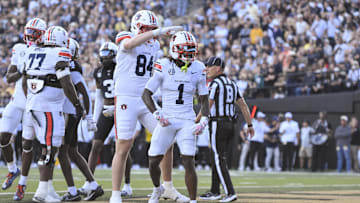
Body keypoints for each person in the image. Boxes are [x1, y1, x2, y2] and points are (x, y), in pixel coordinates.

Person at [110, 10, 184, 203]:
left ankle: (167, 187)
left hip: (145, 98)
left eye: (152, 29)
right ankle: (116, 194)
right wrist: (156, 32)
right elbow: (128, 44)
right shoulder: (125, 35)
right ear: (137, 27)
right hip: (126, 97)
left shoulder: (155, 45)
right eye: (145, 29)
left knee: (167, 138)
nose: (149, 33)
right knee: (124, 145)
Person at [142, 30, 209, 203]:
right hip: (168, 118)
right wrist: (157, 113)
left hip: (187, 119)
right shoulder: (163, 64)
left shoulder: (199, 68)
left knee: (188, 160)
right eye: (185, 49)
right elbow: (146, 94)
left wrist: (204, 119)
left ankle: (193, 200)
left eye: (191, 49)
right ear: (174, 49)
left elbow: (204, 99)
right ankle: (158, 189)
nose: (190, 53)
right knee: (153, 160)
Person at [22, 26, 84, 202]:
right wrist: (76, 103)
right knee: (50, 150)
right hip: (49, 107)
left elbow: (25, 80)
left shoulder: (32, 51)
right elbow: (65, 81)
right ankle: (41, 193)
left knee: (47, 148)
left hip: (34, 104)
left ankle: (47, 189)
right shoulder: (59, 53)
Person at [1, 18, 47, 194]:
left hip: (33, 103)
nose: (30, 36)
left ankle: (23, 183)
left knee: (26, 144)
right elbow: (9, 77)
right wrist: (22, 71)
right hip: (17, 101)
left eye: (34, 32)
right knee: (3, 137)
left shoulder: (47, 52)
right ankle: (12, 169)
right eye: (29, 31)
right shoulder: (19, 49)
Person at [200, 56, 254, 202]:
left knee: (218, 158)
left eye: (209, 66)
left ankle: (230, 192)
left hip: (218, 123)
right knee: (216, 156)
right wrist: (249, 125)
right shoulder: (232, 83)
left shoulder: (215, 84)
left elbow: (207, 105)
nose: (207, 69)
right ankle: (214, 190)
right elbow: (243, 105)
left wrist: (196, 121)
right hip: (230, 124)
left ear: (218, 68)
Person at [58, 38, 102, 201]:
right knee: (72, 152)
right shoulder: (68, 65)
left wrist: (89, 115)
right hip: (69, 112)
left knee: (62, 152)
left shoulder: (72, 68)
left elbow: (83, 91)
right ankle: (94, 185)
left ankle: (73, 192)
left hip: (69, 113)